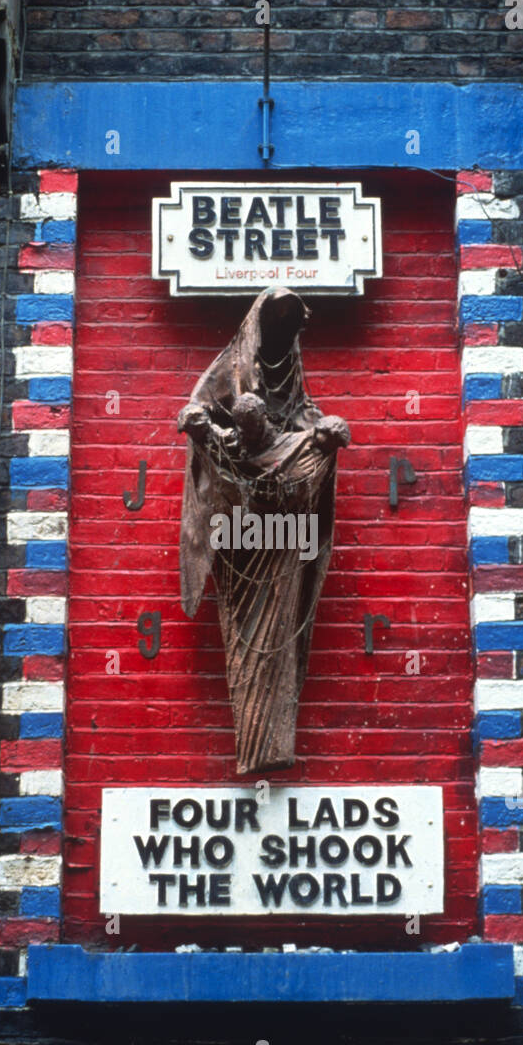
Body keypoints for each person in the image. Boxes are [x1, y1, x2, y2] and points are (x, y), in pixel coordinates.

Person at [178, 288, 350, 775]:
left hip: (284, 531)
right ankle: (251, 746)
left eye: (288, 325)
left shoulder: (293, 377)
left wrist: (323, 430)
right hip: (238, 530)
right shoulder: (229, 369)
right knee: (245, 637)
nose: (280, 335)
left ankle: (273, 743)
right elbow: (196, 411)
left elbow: (306, 423)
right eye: (273, 323)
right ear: (256, 326)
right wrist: (198, 425)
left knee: (280, 633)